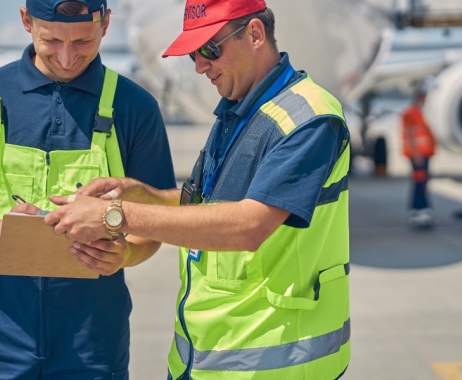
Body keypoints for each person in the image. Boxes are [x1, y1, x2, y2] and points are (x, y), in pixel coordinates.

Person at [45, 0, 352, 378]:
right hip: (210, 360)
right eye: (193, 53)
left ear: (255, 34)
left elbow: (249, 225)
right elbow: (205, 204)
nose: (200, 66)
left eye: (210, 49)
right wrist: (138, 194)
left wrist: (114, 215)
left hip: (274, 364)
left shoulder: (309, 118)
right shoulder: (238, 110)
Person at [0, 0, 176, 378]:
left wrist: (125, 255)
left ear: (106, 24)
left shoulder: (135, 106)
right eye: (52, 40)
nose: (66, 56)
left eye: (82, 42)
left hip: (91, 339)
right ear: (27, 21)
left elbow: (155, 223)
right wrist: (10, 233)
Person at [401, 89, 437, 229]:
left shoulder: (417, 111)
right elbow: (410, 133)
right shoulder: (411, 112)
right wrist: (416, 154)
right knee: (420, 182)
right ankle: (420, 210)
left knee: (421, 181)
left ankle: (419, 210)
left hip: (423, 153)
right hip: (418, 154)